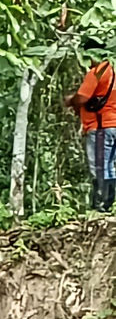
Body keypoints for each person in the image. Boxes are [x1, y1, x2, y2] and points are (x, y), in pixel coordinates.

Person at [65, 37, 116, 212]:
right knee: (108, 166)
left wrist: (70, 100)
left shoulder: (98, 72)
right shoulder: (113, 69)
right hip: (113, 125)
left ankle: (101, 205)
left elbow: (82, 97)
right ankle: (108, 204)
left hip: (101, 126)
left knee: (99, 166)